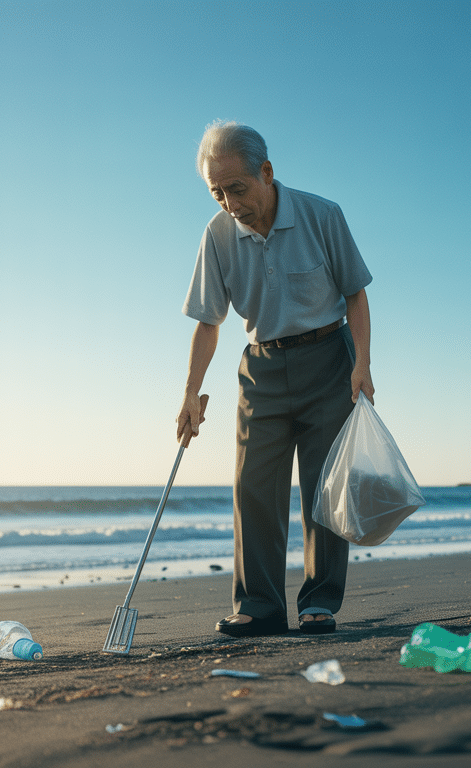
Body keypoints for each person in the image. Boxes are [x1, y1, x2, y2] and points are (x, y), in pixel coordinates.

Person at [177, 121, 374, 637]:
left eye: (236, 189)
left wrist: (363, 364)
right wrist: (191, 392)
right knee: (253, 489)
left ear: (266, 172)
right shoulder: (217, 235)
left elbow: (356, 293)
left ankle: (319, 603)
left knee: (324, 488)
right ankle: (259, 605)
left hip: (328, 358)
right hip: (260, 367)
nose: (228, 203)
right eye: (216, 193)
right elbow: (208, 322)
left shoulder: (322, 215)